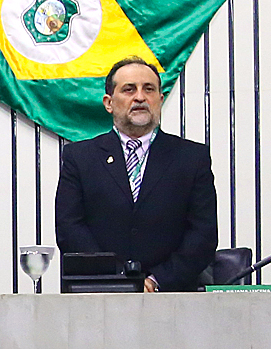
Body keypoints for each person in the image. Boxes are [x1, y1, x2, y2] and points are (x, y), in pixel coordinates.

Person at [54, 56, 217, 291]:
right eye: (129, 89)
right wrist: (121, 280)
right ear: (108, 102)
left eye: (148, 89)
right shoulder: (80, 158)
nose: (140, 97)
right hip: (99, 294)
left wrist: (155, 280)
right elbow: (70, 228)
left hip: (173, 296)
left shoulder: (192, 158)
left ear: (160, 100)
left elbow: (202, 235)